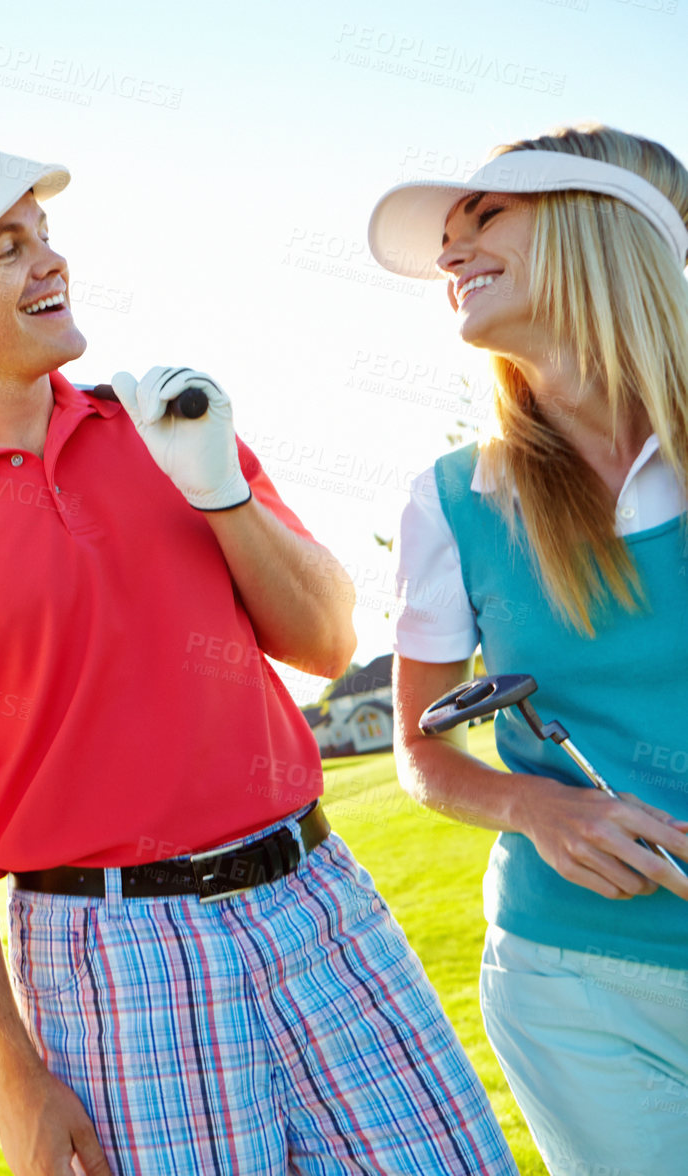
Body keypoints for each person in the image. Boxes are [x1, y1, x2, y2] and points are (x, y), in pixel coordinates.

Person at [0, 146, 517, 1176]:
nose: (48, 264)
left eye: (46, 237)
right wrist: (10, 1072)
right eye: (6, 249)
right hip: (113, 959)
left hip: (317, 898)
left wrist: (218, 491)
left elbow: (327, 638)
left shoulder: (169, 422)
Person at [375, 123, 688, 1175]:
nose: (450, 255)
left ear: (604, 228)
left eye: (485, 218)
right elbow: (423, 750)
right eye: (446, 242)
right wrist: (532, 804)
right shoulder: (453, 500)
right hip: (576, 982)